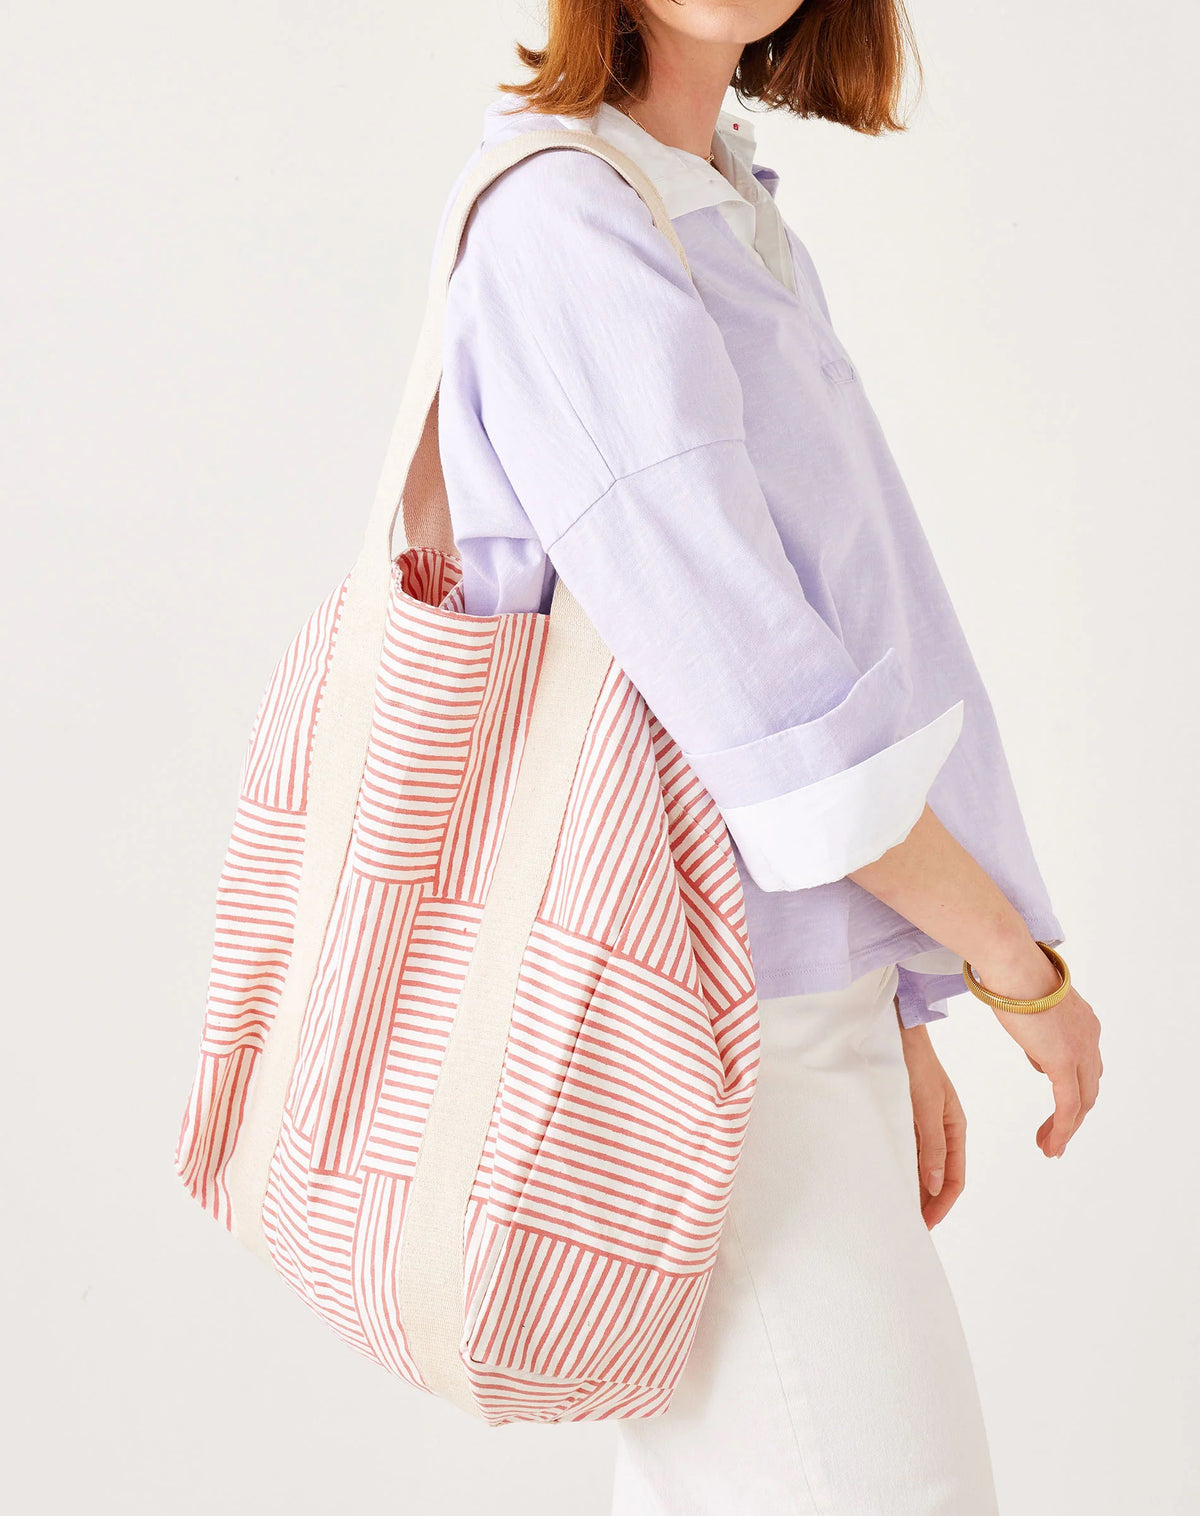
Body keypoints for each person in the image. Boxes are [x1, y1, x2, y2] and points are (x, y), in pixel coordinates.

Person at [434, 1, 1104, 1509]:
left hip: (800, 1010)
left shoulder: (709, 197)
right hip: (713, 1042)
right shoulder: (566, 224)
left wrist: (901, 1002)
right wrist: (1011, 965)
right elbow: (760, 696)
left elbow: (829, 628)